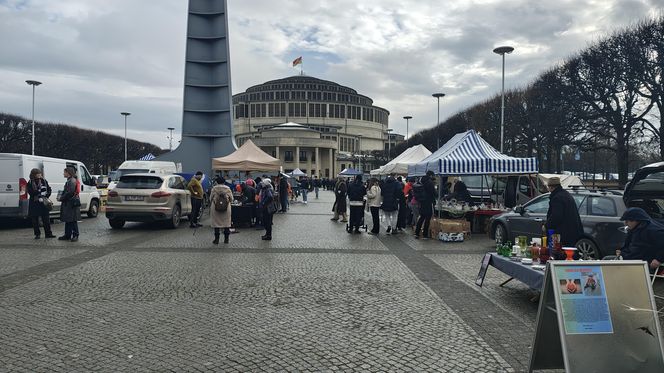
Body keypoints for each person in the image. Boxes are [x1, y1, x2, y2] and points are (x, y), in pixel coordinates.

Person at [617, 207, 664, 272]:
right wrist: (621, 251)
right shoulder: (633, 229)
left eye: (627, 221)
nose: (625, 223)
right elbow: (628, 244)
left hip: (641, 263)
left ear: (637, 220)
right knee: (606, 260)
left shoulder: (654, 231)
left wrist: (659, 259)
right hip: (629, 257)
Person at [545, 177, 583, 246]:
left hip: (563, 233)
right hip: (572, 231)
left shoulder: (557, 198)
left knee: (560, 253)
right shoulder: (566, 194)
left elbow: (556, 216)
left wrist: (546, 225)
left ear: (550, 187)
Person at [27, 168, 54, 239]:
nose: (39, 175)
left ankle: (48, 234)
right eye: (37, 174)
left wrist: (47, 194)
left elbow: (49, 189)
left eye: (40, 173)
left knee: (46, 219)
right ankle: (37, 234)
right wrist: (39, 191)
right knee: (35, 220)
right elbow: (30, 192)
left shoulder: (44, 181)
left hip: (43, 202)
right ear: (34, 175)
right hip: (34, 202)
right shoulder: (30, 182)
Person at [58, 167, 81, 242]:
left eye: (64, 172)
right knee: (68, 219)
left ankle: (75, 235)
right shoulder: (70, 180)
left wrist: (62, 198)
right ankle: (67, 234)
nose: (63, 174)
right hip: (69, 203)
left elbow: (70, 192)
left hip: (71, 203)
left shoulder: (72, 181)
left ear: (68, 173)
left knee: (72, 219)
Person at [210, 176, 233, 244]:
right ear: (224, 182)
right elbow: (231, 199)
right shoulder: (228, 188)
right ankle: (226, 239)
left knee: (216, 224)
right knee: (226, 224)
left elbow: (210, 198)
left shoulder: (214, 189)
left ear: (217, 182)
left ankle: (216, 240)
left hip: (216, 208)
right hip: (226, 208)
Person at [415, 171, 436, 239]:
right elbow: (433, 193)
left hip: (422, 201)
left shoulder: (421, 180)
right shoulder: (429, 182)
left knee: (422, 217)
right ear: (430, 175)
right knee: (427, 218)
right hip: (428, 201)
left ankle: (417, 233)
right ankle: (425, 234)